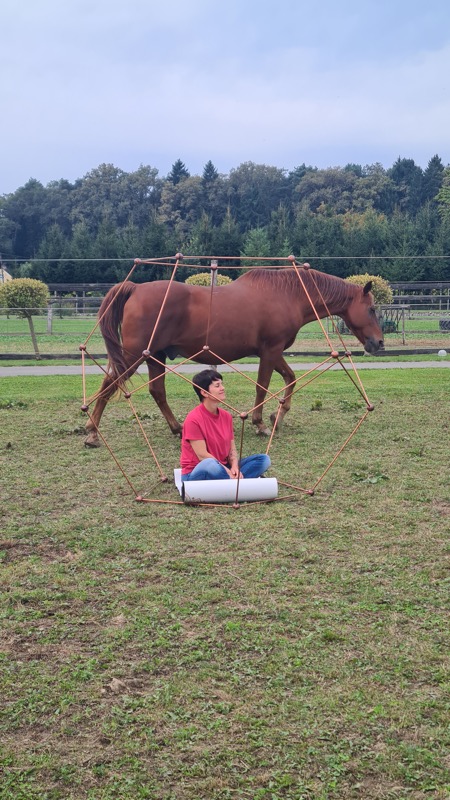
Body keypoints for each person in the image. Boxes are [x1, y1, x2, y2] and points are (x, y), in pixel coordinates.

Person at [180, 369, 271, 482]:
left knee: (264, 460)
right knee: (210, 464)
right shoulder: (193, 419)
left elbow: (231, 448)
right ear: (204, 392)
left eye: (222, 384)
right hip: (197, 472)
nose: (222, 388)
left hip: (223, 467)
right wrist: (227, 472)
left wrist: (234, 467)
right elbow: (202, 455)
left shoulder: (226, 416)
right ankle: (235, 481)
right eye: (217, 385)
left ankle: (230, 481)